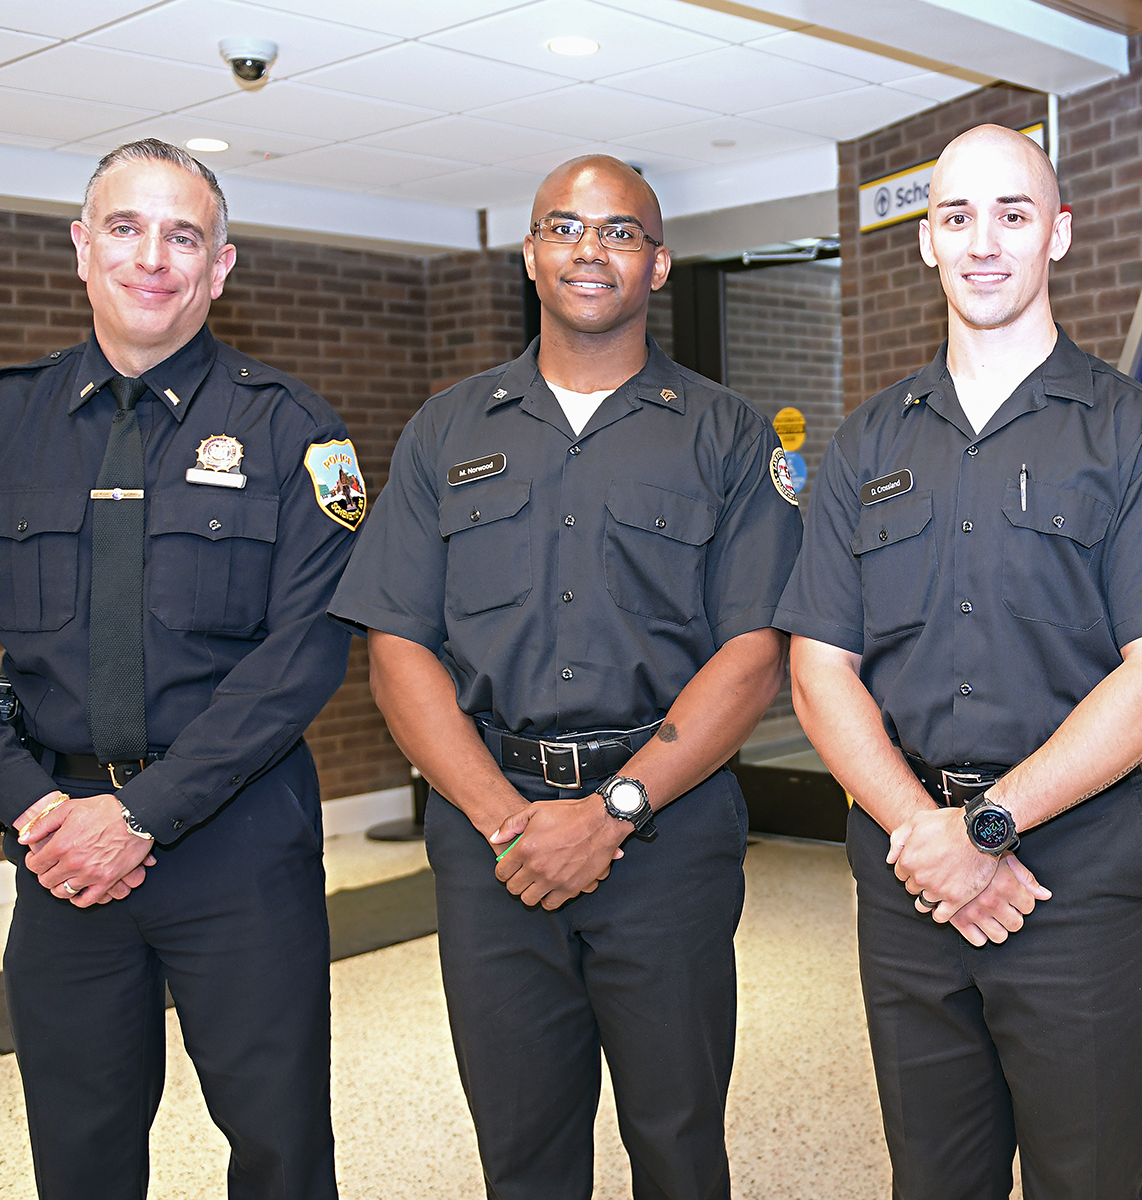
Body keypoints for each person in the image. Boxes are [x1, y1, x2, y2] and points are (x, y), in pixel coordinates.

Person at [327, 154, 803, 1200]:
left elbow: (755, 649)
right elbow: (398, 645)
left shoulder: (727, 435)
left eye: (621, 232)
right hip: (488, 838)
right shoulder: (446, 431)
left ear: (660, 264)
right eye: (566, 228)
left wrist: (614, 809)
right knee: (522, 1142)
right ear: (532, 255)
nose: (592, 249)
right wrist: (507, 821)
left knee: (678, 1137)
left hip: (667, 832)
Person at [0, 139, 359, 1200]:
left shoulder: (292, 430)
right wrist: (37, 811)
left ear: (221, 265)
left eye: (183, 235)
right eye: (125, 227)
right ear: (81, 248)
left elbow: (303, 655)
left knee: (282, 1143)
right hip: (57, 844)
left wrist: (142, 813)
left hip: (238, 840)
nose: (153, 257)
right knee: (80, 1144)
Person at [774, 124, 1142, 1199]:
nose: (984, 242)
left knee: (1086, 1175)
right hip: (907, 880)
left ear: (1057, 233)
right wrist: (926, 839)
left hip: (1070, 876)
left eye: (1012, 215)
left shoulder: (1131, 435)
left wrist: (988, 828)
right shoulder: (866, 447)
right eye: (956, 217)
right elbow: (819, 671)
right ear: (928, 242)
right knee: (934, 1176)